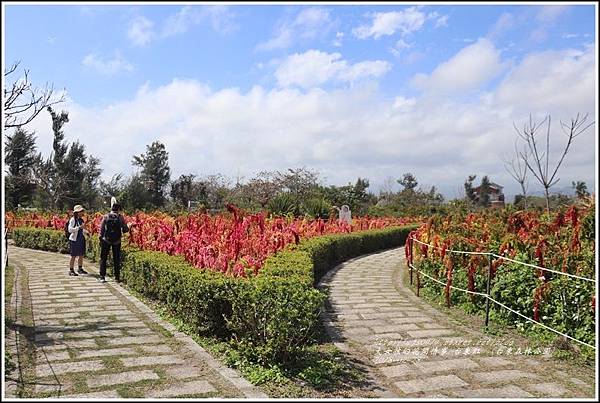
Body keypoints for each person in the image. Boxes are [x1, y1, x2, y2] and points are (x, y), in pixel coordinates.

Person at [98, 202, 129, 283]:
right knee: (116, 259)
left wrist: (100, 239)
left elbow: (101, 230)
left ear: (111, 209)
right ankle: (117, 277)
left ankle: (102, 276)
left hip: (106, 240)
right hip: (117, 241)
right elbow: (125, 230)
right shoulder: (120, 217)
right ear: (118, 210)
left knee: (103, 259)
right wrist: (129, 226)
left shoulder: (106, 216)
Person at [68, 205, 88, 276]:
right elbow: (70, 230)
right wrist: (79, 227)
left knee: (81, 255)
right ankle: (71, 270)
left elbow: (81, 230)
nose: (83, 212)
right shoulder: (73, 220)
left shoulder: (81, 220)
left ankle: (80, 268)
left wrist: (86, 232)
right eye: (81, 211)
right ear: (77, 212)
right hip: (74, 240)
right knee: (73, 255)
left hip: (81, 239)